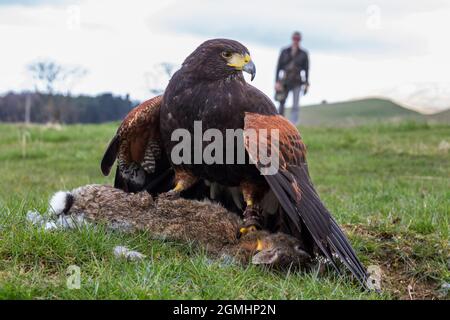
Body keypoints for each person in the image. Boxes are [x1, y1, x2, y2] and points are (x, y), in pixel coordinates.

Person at [275, 31, 310, 124]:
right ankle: (279, 122)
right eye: (294, 38)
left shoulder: (303, 53)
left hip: (297, 81)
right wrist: (277, 82)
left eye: (297, 39)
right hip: (284, 81)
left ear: (300, 40)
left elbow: (306, 70)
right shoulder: (284, 51)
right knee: (281, 102)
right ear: (292, 39)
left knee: (295, 105)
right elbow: (278, 68)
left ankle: (293, 125)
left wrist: (306, 83)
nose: (296, 41)